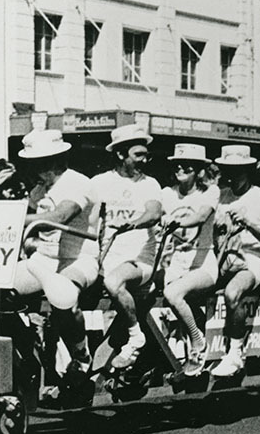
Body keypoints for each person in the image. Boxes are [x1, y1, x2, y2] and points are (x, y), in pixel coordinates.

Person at [11, 130, 98, 402]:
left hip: (79, 258)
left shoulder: (77, 182)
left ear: (59, 158)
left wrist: (17, 218)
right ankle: (25, 355)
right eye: (33, 162)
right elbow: (31, 227)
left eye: (42, 161)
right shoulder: (38, 189)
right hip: (43, 260)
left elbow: (62, 215)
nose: (36, 168)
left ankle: (82, 356)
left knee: (63, 296)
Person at [91, 125, 162, 370]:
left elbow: (153, 213)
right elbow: (90, 220)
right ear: (121, 155)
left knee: (113, 282)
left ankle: (135, 336)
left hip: (139, 260)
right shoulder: (99, 183)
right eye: (138, 155)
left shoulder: (150, 184)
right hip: (107, 259)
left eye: (146, 154)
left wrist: (133, 223)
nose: (144, 160)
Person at [209, 145, 260, 376]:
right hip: (222, 259)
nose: (232, 176)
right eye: (227, 170)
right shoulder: (221, 195)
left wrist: (248, 223)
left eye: (238, 170)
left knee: (232, 293)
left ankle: (235, 352)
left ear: (248, 171)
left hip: (250, 260)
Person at [159, 144, 220, 376]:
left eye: (188, 165)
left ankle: (198, 342)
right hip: (176, 262)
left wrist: (174, 222)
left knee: (173, 294)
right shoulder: (166, 193)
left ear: (199, 170)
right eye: (177, 164)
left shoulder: (210, 192)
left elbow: (201, 216)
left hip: (203, 263)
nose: (181, 168)